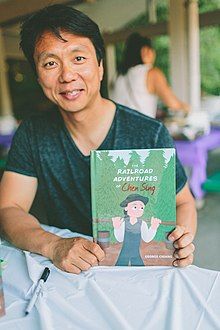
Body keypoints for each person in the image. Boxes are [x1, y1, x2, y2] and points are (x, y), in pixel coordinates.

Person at [0, 5, 196, 274]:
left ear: (101, 67)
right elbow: (9, 207)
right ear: (38, 76)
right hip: (69, 273)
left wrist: (182, 239)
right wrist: (54, 245)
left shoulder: (148, 133)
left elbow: (183, 202)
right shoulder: (32, 134)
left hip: (141, 271)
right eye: (50, 63)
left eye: (78, 58)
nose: (67, 75)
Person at [110, 33, 190, 118]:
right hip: (141, 128)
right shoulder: (152, 73)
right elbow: (173, 104)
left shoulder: (117, 76)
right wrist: (188, 108)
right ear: (145, 51)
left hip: (118, 129)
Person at [112, 194, 161, 266]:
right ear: (126, 208)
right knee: (120, 267)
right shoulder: (123, 222)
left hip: (136, 253)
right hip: (124, 253)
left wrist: (153, 228)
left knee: (140, 268)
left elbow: (146, 239)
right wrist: (116, 228)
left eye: (141, 208)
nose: (138, 210)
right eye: (135, 207)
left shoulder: (142, 223)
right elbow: (120, 239)